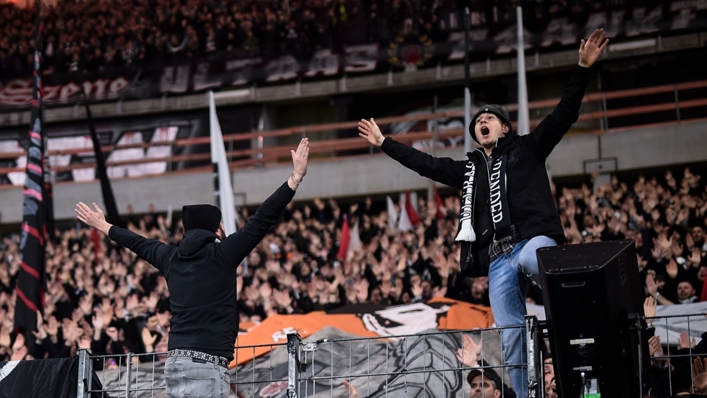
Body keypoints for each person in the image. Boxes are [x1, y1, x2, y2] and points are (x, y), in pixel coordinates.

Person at [358, 29, 608, 395]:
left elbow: (564, 113)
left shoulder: (528, 148)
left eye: (489, 117)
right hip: (495, 259)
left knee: (533, 260)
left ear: (504, 127)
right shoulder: (469, 172)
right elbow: (426, 164)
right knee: (510, 337)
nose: (482, 122)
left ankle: (574, 299)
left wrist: (583, 68)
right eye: (477, 121)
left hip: (530, 240)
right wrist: (385, 143)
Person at [74, 138, 310, 398]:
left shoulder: (170, 257)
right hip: (207, 365)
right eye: (220, 225)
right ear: (214, 228)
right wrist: (294, 179)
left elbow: (138, 243)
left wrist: (105, 227)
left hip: (175, 362)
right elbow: (262, 219)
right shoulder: (223, 254)